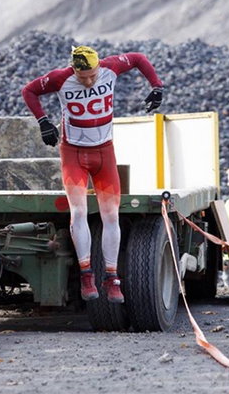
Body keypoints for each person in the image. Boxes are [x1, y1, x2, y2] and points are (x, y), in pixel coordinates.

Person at [21, 45, 164, 303]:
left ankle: (112, 277)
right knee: (79, 211)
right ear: (73, 69)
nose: (88, 81)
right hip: (73, 153)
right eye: (82, 77)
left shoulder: (111, 67)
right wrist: (42, 121)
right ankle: (86, 274)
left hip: (104, 152)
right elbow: (29, 90)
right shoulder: (60, 78)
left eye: (92, 75)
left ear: (99, 66)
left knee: (111, 214)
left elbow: (139, 58)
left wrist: (156, 86)